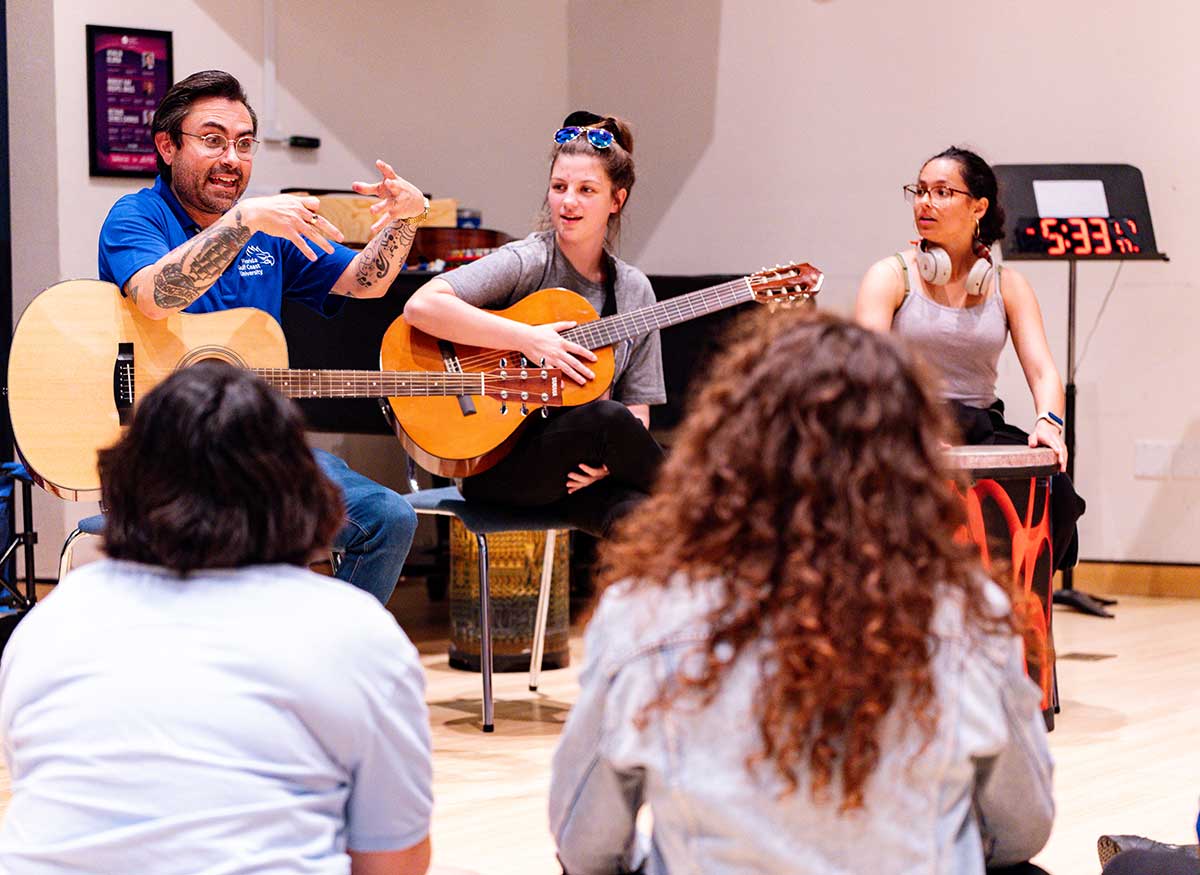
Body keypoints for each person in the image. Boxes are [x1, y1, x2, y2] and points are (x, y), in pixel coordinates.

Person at [548, 312, 1055, 875]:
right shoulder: (968, 612)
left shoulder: (644, 612)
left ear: (730, 450)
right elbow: (1022, 828)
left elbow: (585, 845)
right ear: (911, 464)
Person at [0, 361, 432, 875]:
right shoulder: (357, 632)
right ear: (299, 485)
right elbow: (393, 860)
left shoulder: (50, 624)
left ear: (125, 480)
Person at [97, 69, 423, 606]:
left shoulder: (267, 231)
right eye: (213, 140)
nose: (232, 158)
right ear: (167, 146)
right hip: (161, 451)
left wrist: (406, 220)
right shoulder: (137, 216)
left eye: (244, 144)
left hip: (253, 449)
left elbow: (366, 281)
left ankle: (321, 654)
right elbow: (157, 294)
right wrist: (244, 222)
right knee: (250, 531)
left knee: (389, 517)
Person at [403, 111, 665, 538]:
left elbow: (637, 410)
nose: (568, 201)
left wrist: (609, 465)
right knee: (608, 418)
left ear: (616, 201)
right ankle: (715, 515)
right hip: (496, 466)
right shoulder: (528, 260)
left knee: (644, 521)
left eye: (586, 190)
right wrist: (528, 338)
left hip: (578, 471)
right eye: (559, 187)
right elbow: (422, 306)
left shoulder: (634, 290)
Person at [855, 146, 1084, 572]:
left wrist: (1049, 424)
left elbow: (1042, 370)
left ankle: (1010, 601)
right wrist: (914, 429)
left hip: (979, 425)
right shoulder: (890, 276)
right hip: (903, 421)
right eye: (920, 191)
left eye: (942, 192)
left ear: (978, 206)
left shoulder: (1008, 285)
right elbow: (869, 374)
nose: (925, 202)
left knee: (1059, 494)